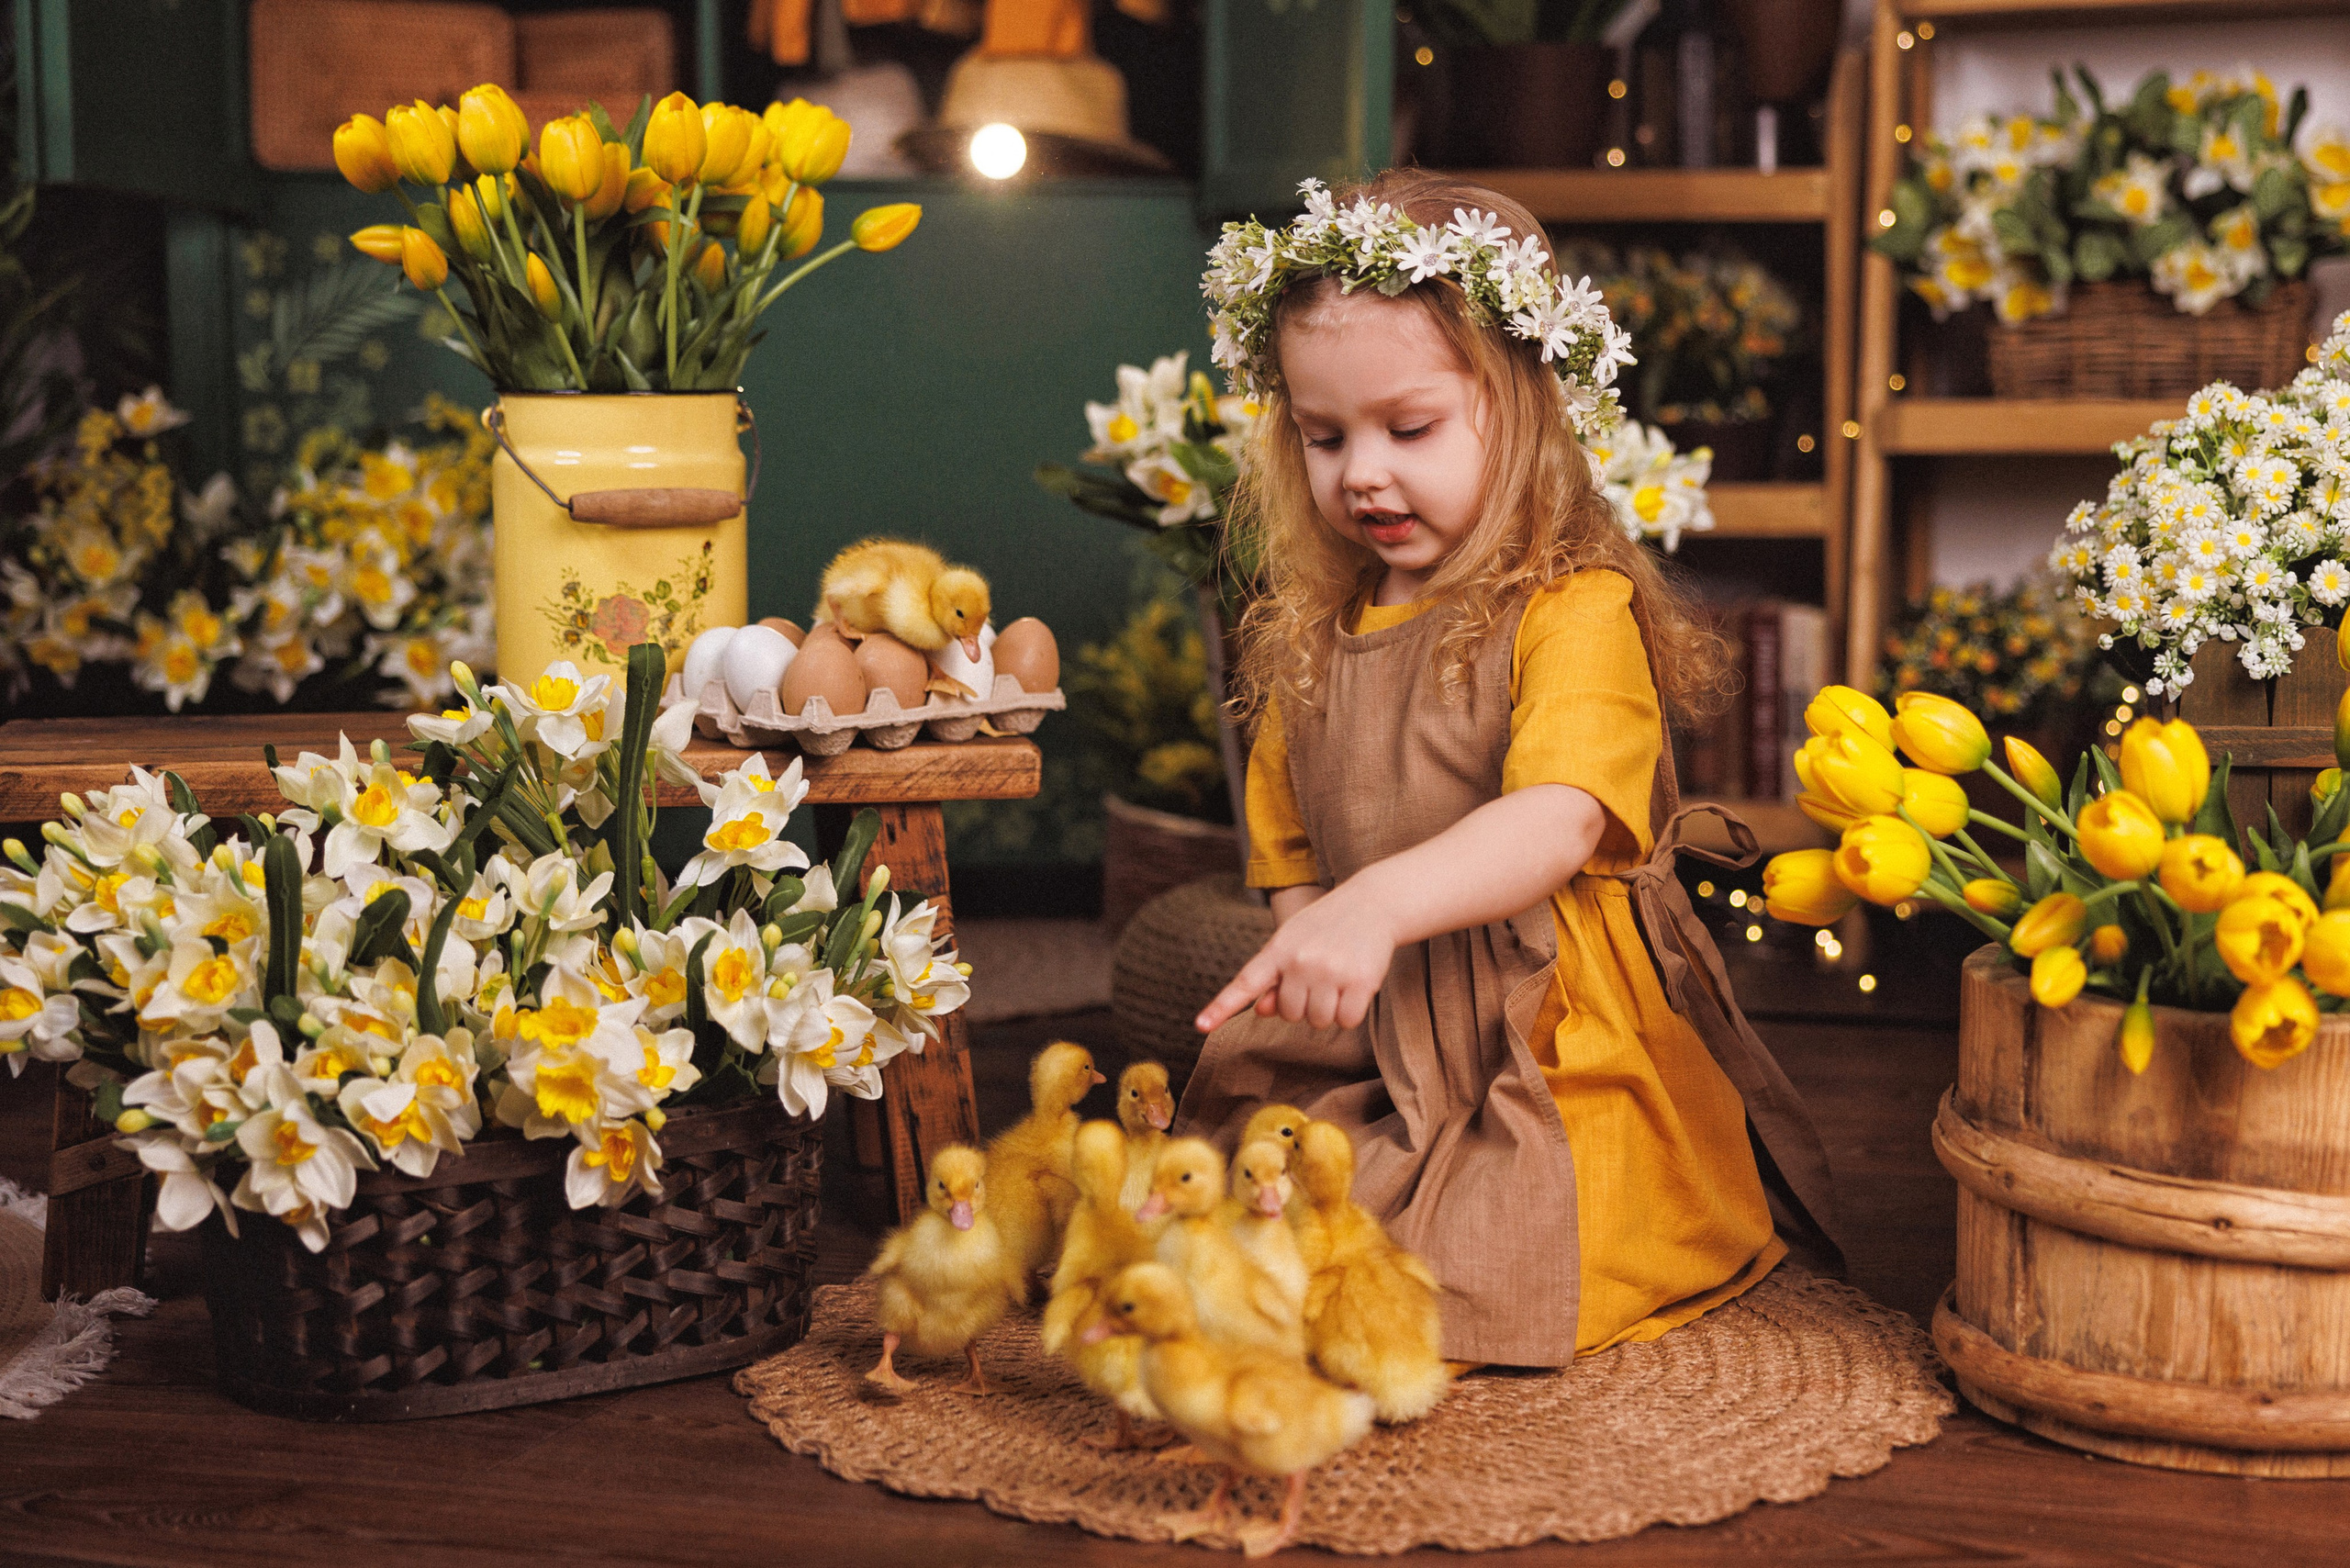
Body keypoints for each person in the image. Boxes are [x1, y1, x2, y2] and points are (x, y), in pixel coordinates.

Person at [1179, 169, 1842, 1367]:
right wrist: (1318, 949)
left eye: (1409, 430)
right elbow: (1290, 840)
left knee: (1480, 1260)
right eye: (1324, 438)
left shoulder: (1571, 610)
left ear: (1524, 412)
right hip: (1382, 1023)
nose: (1361, 473)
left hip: (1542, 1030)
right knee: (1247, 1208)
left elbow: (1557, 818)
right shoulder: (1317, 632)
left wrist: (1378, 906)